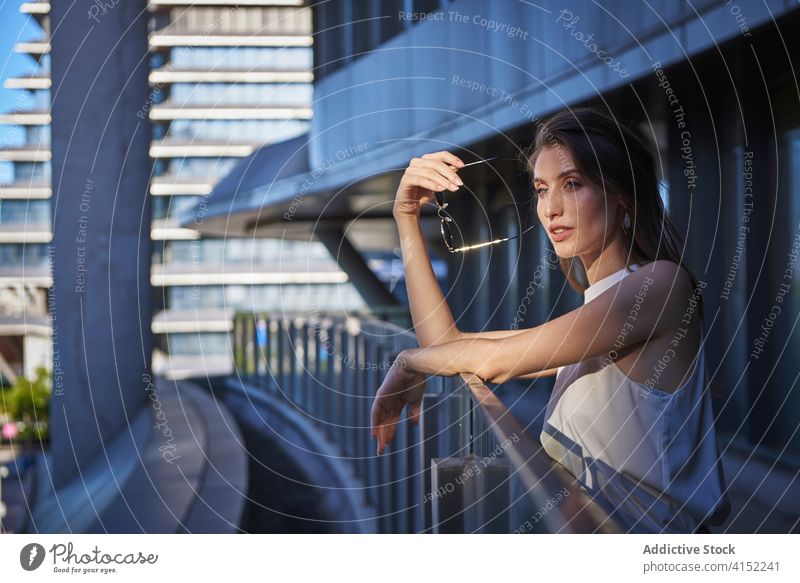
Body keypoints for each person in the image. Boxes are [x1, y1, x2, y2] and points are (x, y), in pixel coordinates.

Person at [369, 106, 731, 533]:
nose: (551, 208)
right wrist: (406, 218)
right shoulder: (596, 319)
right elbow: (447, 346)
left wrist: (406, 361)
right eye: (542, 189)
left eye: (572, 184)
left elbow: (491, 360)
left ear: (621, 194)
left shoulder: (660, 286)